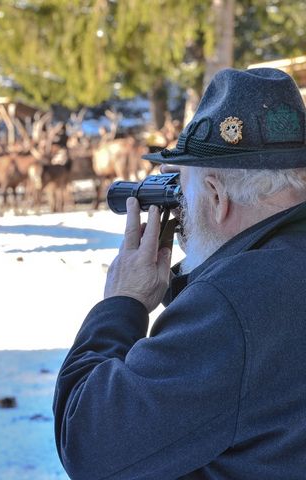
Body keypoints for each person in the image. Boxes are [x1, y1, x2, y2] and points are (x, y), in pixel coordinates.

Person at [53, 67, 306, 479]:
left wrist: (122, 303)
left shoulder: (234, 304)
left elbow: (90, 444)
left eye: (182, 191)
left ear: (215, 196)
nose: (181, 212)